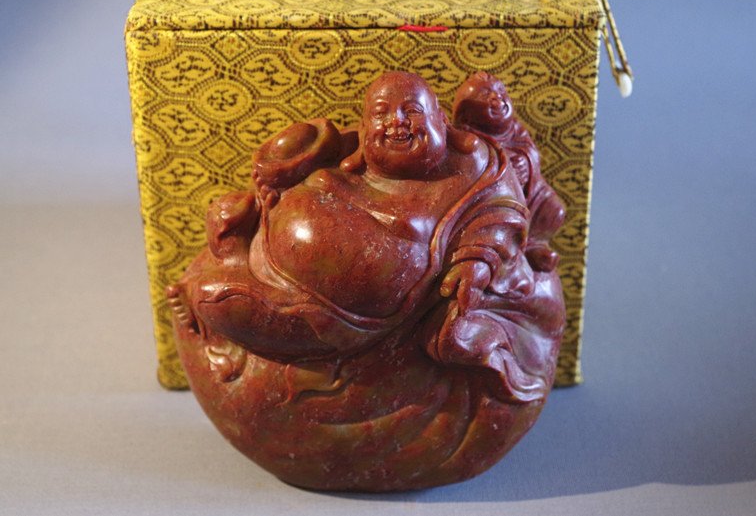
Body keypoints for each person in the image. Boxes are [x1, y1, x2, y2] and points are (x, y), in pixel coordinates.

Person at [167, 72, 564, 491]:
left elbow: (501, 214)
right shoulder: (337, 175)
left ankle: (228, 306)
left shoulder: (475, 167)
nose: (397, 122)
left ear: (442, 121)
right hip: (291, 286)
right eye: (381, 113)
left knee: (224, 299)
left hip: (384, 310)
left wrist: (476, 263)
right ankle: (228, 286)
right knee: (226, 242)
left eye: (412, 111)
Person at [454, 71, 566, 272]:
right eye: (485, 95)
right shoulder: (470, 141)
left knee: (554, 210)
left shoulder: (515, 129)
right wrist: (508, 171)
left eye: (500, 91)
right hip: (498, 203)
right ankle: (510, 255)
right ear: (467, 114)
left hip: (530, 194)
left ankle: (533, 245)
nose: (496, 97)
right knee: (497, 226)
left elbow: (530, 151)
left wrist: (526, 161)